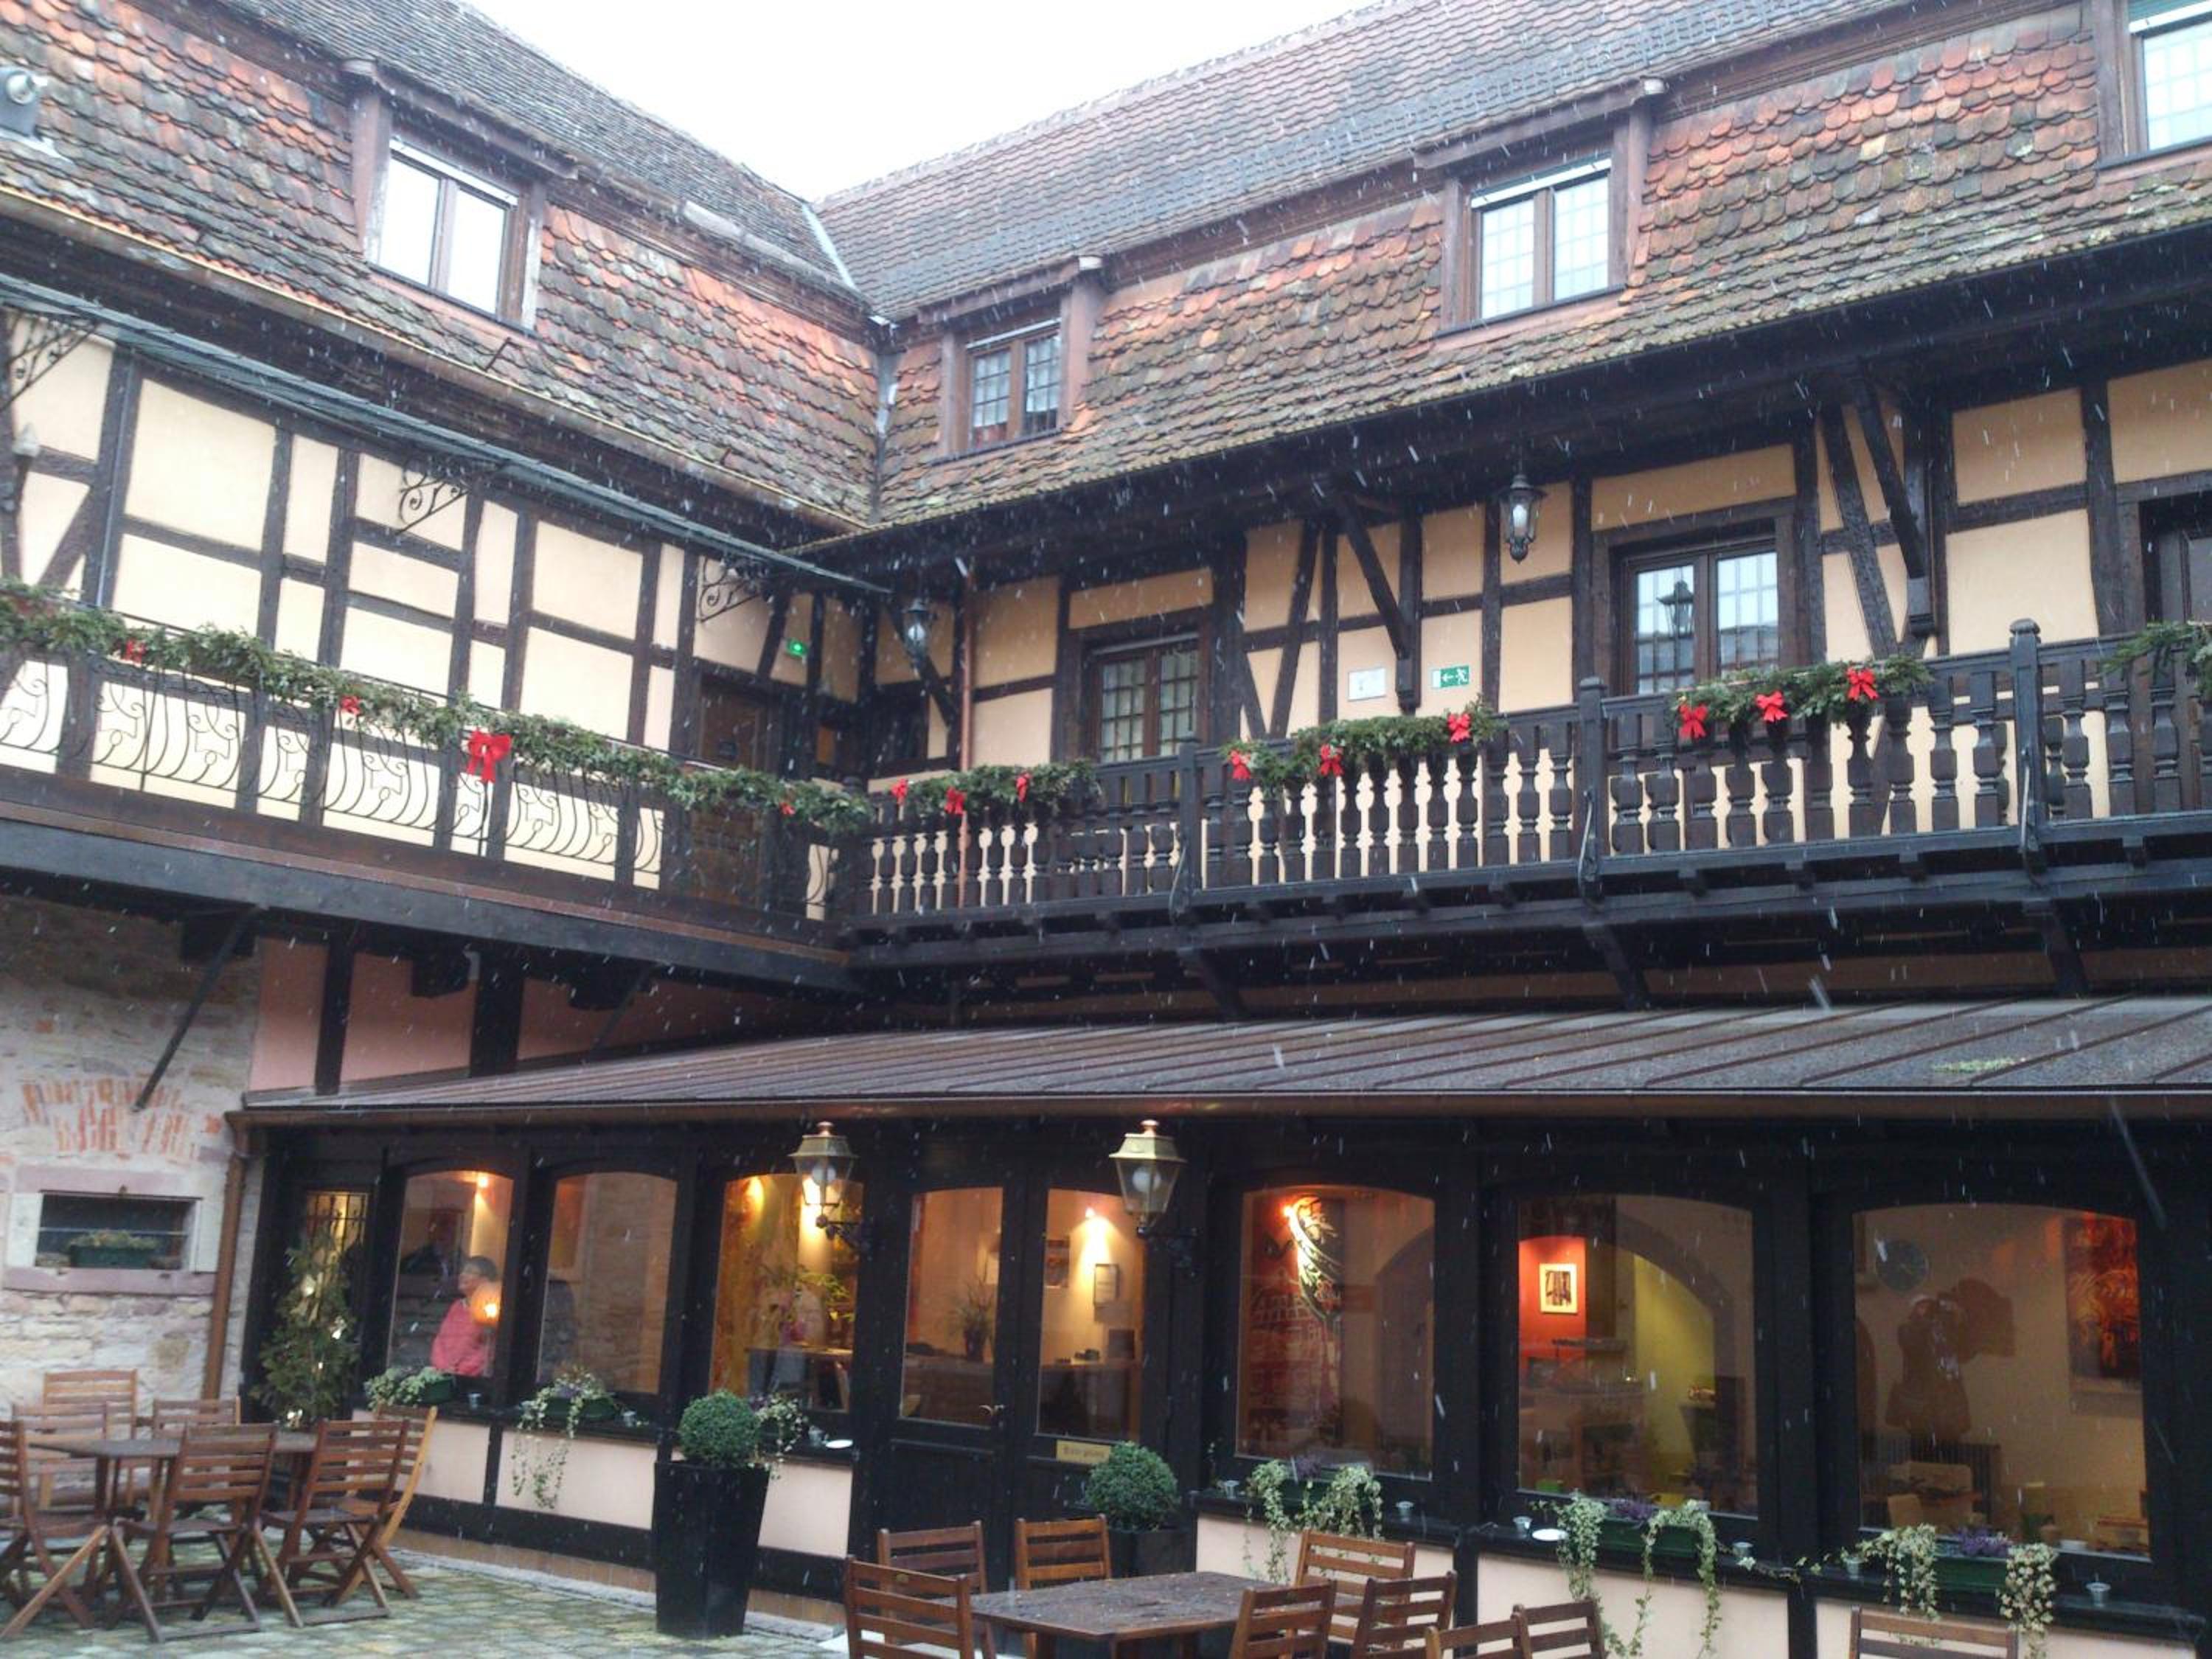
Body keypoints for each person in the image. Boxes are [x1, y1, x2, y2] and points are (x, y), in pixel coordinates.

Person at [430, 1255, 499, 1377]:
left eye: (470, 1272)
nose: (462, 1275)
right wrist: (442, 1368)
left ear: (485, 1281)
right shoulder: (457, 1306)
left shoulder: (491, 1309)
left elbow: (487, 1349)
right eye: (463, 1271)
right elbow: (441, 1341)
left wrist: (460, 1372)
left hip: (470, 1378)